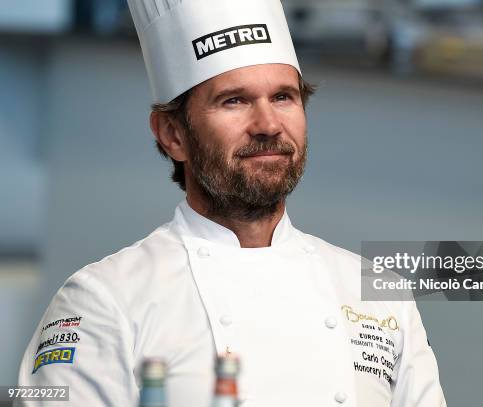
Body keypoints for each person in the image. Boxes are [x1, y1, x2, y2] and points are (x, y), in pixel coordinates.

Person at [18, 0, 446, 406]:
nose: (268, 125)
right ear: (172, 134)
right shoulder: (102, 300)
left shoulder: (380, 295)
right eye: (234, 101)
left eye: (283, 97)